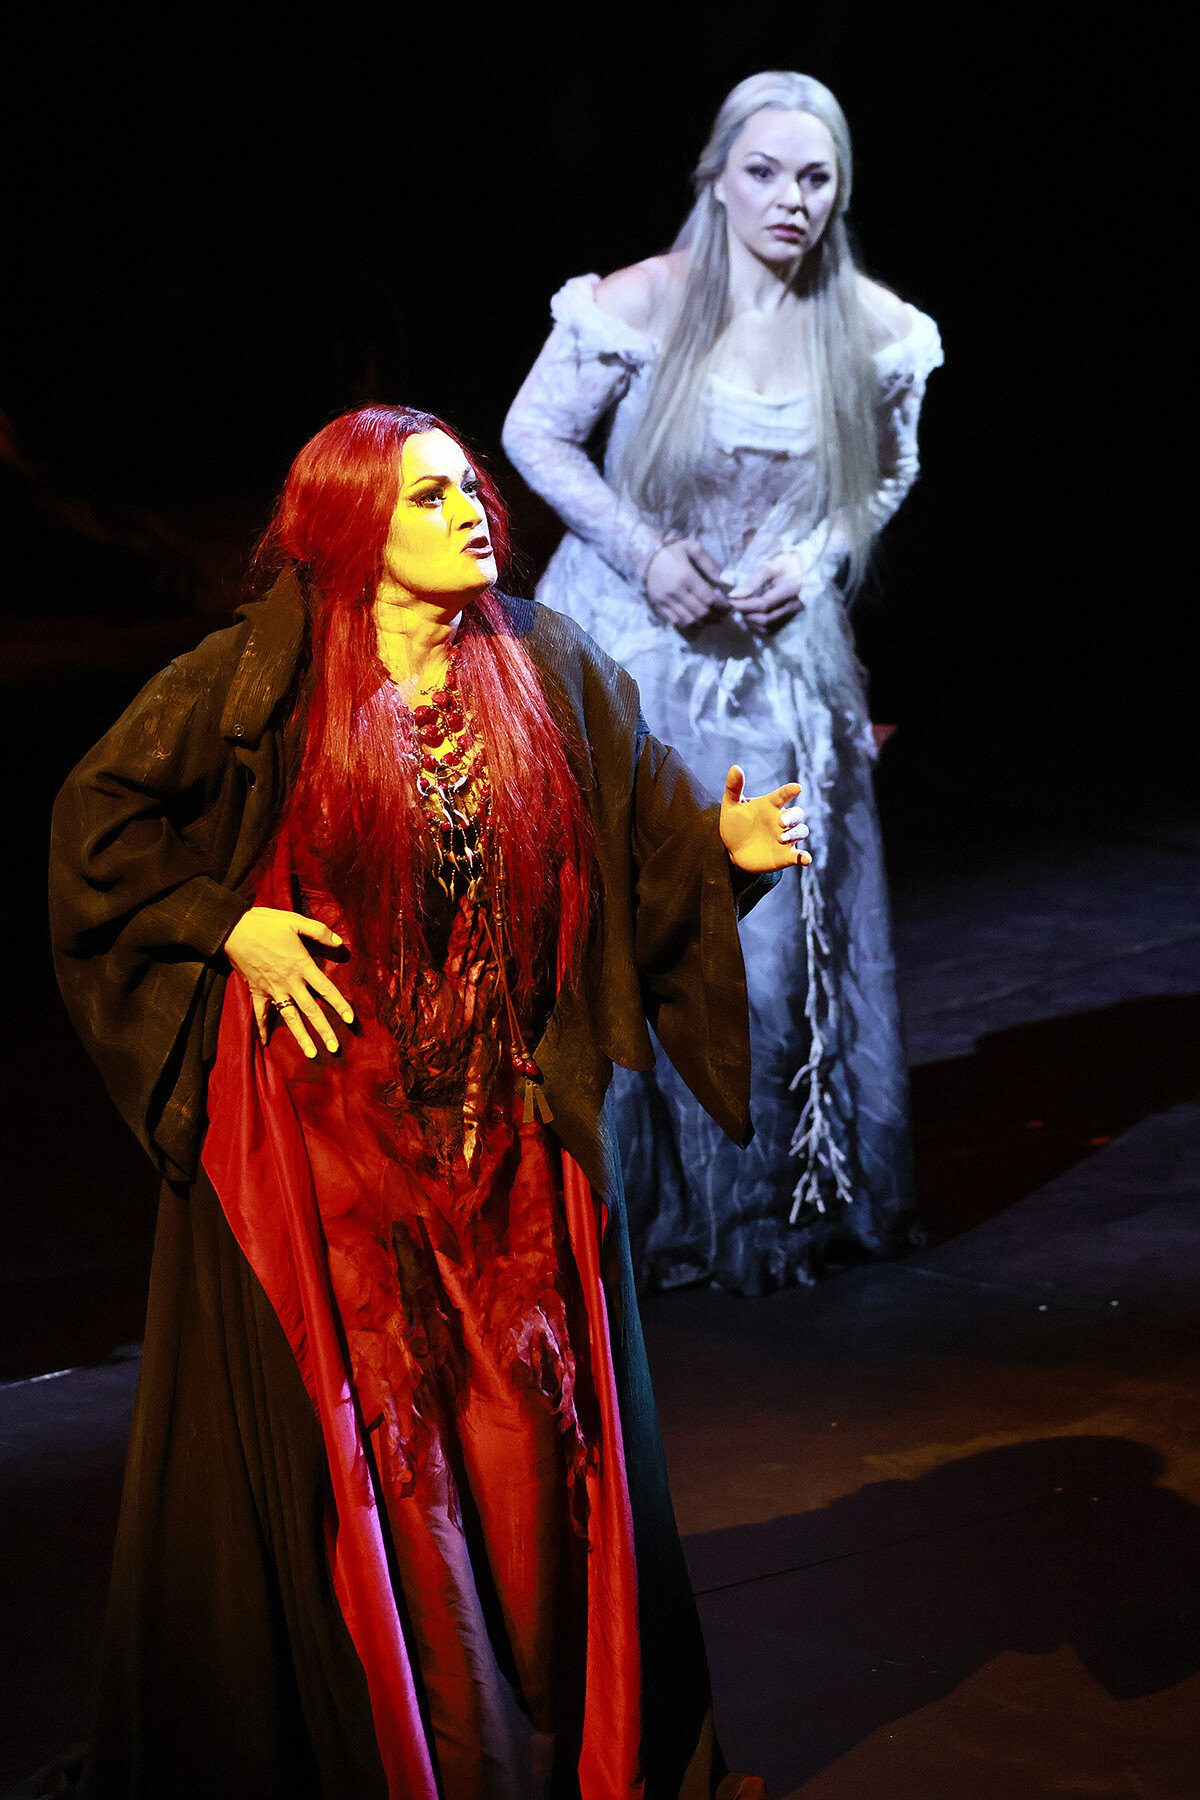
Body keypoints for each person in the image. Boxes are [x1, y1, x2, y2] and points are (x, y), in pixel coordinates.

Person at [48, 404, 808, 1800]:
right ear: (354, 527)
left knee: (524, 1457)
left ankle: (551, 1744)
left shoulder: (547, 665)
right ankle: (425, 1754)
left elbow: (645, 858)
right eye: (427, 499)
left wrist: (729, 851)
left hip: (504, 1145)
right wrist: (228, 925)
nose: (469, 517)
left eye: (469, 491)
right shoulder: (263, 675)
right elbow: (98, 828)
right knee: (385, 1468)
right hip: (331, 1145)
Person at [503, 70, 943, 1296]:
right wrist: (643, 549)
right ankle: (640, 1215)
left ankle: (764, 1205)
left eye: (815, 177)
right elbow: (535, 431)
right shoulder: (644, 300)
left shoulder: (872, 325)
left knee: (767, 946)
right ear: (718, 175)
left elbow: (887, 470)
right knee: (639, 928)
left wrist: (815, 557)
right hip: (636, 653)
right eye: (764, 172)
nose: (790, 198)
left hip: (774, 669)